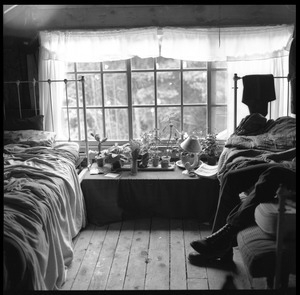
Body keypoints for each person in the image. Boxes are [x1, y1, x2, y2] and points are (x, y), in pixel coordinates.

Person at [189, 147, 296, 265]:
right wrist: (278, 156)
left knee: (274, 173)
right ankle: (222, 250)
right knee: (230, 177)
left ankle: (224, 237)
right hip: (291, 167)